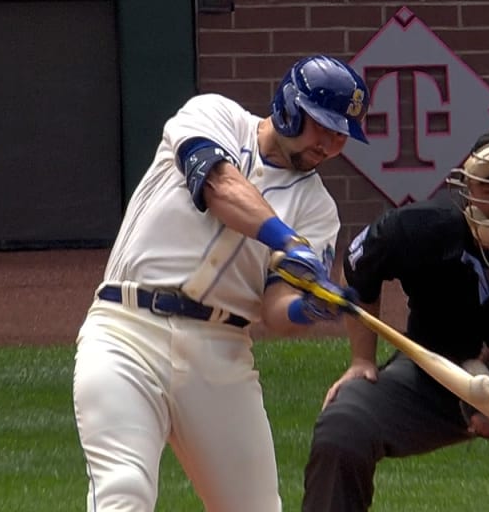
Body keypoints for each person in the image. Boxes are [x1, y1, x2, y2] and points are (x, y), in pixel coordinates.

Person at [72, 54, 368, 512]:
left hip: (221, 353)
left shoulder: (318, 210)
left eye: (340, 134)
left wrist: (308, 308)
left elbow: (275, 308)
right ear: (289, 106)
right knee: (123, 489)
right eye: (322, 126)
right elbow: (219, 187)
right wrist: (288, 243)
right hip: (126, 332)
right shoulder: (214, 115)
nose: (329, 144)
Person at [302, 128, 489, 511]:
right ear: (466, 188)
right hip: (434, 377)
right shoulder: (416, 228)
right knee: (344, 425)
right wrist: (362, 361)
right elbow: (358, 271)